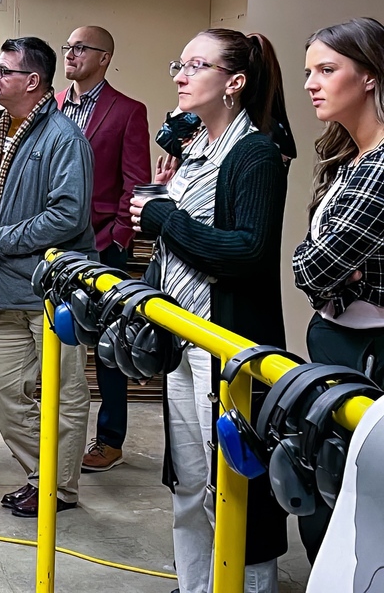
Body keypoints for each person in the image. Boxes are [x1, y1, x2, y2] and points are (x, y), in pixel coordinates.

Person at [130, 29, 292, 593]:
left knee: (237, 490)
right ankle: (195, 585)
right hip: (184, 339)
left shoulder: (256, 155)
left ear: (235, 82)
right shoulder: (194, 150)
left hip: (226, 347)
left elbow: (245, 251)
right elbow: (181, 240)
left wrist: (162, 218)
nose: (180, 74)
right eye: (180, 62)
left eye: (197, 65)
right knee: (190, 485)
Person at [0, 36, 95, 517]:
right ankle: (43, 474)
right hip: (6, 286)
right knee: (0, 387)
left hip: (53, 289)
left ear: (33, 81)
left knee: (63, 393)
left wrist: (2, 239)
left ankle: (58, 489)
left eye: (4, 70)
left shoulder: (63, 139)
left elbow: (69, 215)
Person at [293, 17, 384, 560]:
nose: (312, 84)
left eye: (328, 70)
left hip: (370, 349)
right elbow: (314, 265)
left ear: (370, 76)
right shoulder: (345, 157)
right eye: (309, 72)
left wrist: (339, 272)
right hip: (332, 339)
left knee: (351, 504)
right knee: (324, 496)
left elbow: (312, 269)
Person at [57, 25, 151, 472]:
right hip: (53, 244)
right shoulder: (52, 105)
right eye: (68, 47)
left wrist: (116, 237)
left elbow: (135, 179)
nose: (71, 54)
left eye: (80, 48)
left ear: (104, 57)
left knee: (107, 345)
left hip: (101, 243)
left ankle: (110, 438)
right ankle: (58, 433)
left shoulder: (128, 111)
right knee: (56, 340)